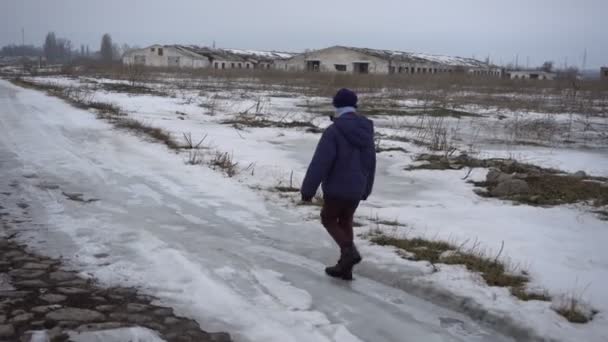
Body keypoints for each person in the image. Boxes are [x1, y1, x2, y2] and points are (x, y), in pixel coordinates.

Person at [301, 88, 376, 280]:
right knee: (345, 221)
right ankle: (345, 268)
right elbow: (370, 163)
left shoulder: (334, 130)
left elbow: (321, 162)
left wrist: (307, 191)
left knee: (328, 219)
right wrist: (365, 188)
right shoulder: (366, 130)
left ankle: (349, 252)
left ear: (336, 105)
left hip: (336, 186)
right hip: (356, 187)